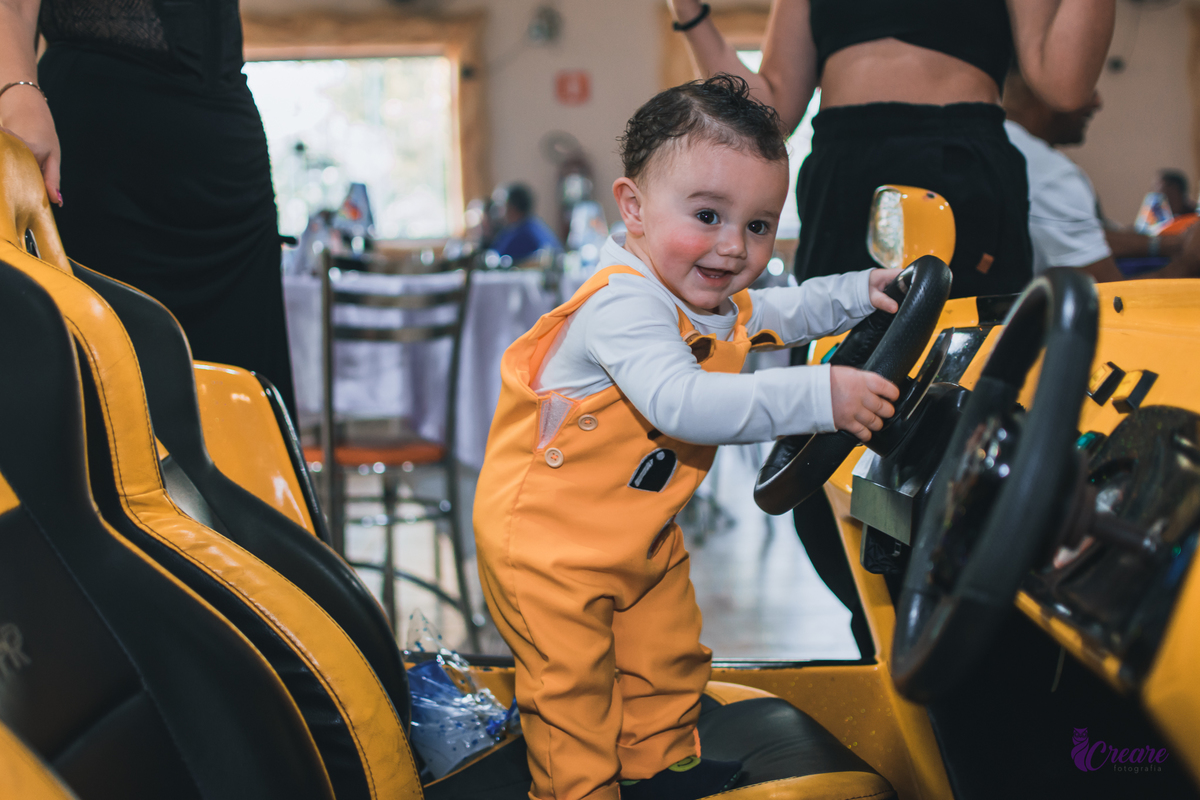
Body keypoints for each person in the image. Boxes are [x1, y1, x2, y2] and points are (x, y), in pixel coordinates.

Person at [473, 75, 902, 800]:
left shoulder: (706, 298)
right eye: (708, 215)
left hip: (635, 534)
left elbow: (789, 309)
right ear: (633, 208)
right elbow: (684, 403)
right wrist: (819, 395)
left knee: (667, 661)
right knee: (571, 695)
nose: (734, 247)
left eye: (759, 225)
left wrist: (865, 290)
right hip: (546, 548)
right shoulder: (623, 306)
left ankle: (658, 767)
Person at [669, 0, 1115, 657]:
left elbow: (1065, 82)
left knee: (955, 428)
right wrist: (693, 14)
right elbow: (769, 111)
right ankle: (880, 635)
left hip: (954, 166)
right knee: (826, 443)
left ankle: (961, 643)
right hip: (842, 176)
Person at [0, 0, 297, 418]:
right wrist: (18, 93)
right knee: (112, 378)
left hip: (225, 154)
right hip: (103, 141)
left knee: (241, 388)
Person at [1004, 70, 1200, 282]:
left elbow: (1083, 234)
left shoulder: (1004, 146)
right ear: (1043, 83)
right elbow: (1108, 302)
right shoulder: (1050, 174)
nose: (1098, 102)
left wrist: (1175, 243)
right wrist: (1188, 265)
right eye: (1088, 87)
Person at [489, 182, 563, 264]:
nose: (500, 212)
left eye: (503, 206)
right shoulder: (535, 225)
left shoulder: (521, 233)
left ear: (512, 208)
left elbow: (495, 259)